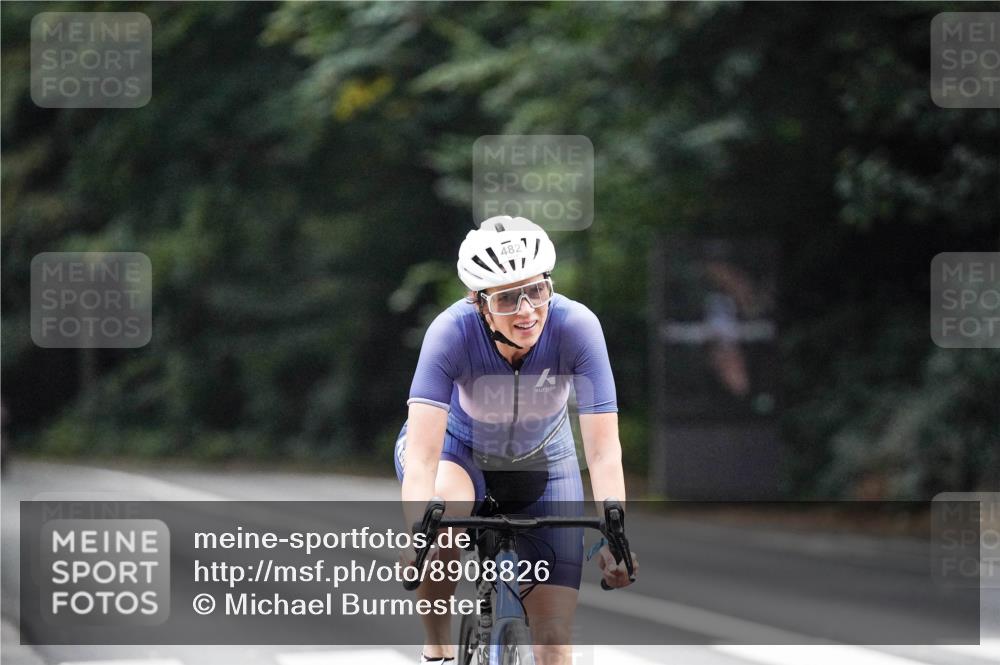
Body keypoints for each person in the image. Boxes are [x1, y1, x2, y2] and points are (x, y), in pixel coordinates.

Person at [395, 216, 637, 665]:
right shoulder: (450, 333)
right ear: (479, 303)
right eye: (507, 298)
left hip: (544, 457)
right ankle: (437, 645)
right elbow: (424, 457)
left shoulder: (577, 327)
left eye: (537, 290)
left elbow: (603, 450)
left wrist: (613, 531)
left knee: (553, 643)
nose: (526, 311)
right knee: (443, 517)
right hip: (456, 452)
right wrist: (417, 535)